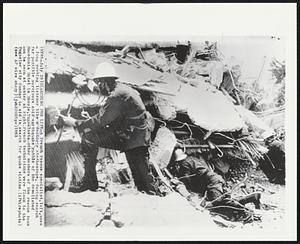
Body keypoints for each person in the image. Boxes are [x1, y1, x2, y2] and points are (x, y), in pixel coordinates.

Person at [60, 62, 157, 194]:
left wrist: (76, 122)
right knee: (89, 138)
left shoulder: (116, 96)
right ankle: (90, 182)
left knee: (144, 182)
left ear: (105, 81)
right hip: (135, 135)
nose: (99, 87)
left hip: (132, 139)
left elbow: (101, 120)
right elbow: (109, 105)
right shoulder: (122, 89)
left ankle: (90, 182)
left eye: (99, 83)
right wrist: (89, 85)